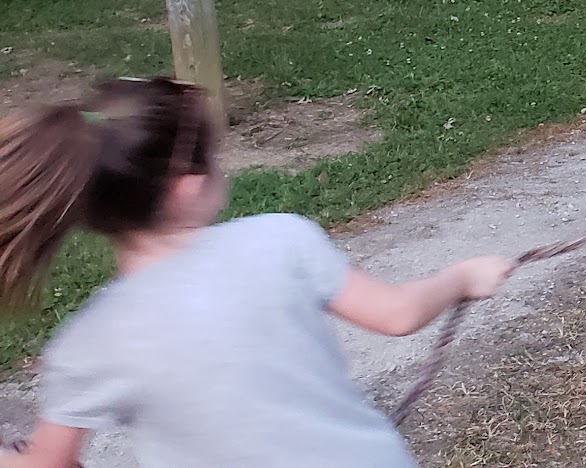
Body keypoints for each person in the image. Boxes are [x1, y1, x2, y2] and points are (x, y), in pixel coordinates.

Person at [0, 76, 515, 468]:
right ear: (187, 186)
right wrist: (464, 277)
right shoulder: (280, 238)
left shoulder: (86, 344)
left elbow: (47, 463)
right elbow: (397, 315)